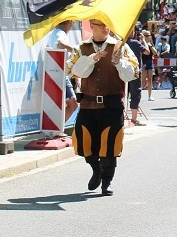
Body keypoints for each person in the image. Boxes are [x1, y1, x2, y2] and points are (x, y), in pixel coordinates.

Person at [72, 18, 139, 196]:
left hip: (111, 105)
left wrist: (118, 63)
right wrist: (93, 58)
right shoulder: (82, 48)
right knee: (85, 143)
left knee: (110, 145)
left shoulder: (121, 47)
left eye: (107, 24)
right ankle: (96, 169)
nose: (105, 28)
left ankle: (106, 181)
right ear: (91, 27)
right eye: (100, 25)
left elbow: (132, 74)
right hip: (88, 104)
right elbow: (74, 71)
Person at [47, 19, 80, 122]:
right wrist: (78, 51)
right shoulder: (60, 33)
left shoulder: (54, 33)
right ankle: (58, 128)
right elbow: (60, 43)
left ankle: (57, 128)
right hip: (60, 74)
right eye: (73, 23)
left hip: (56, 72)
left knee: (64, 105)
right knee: (73, 104)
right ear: (69, 22)